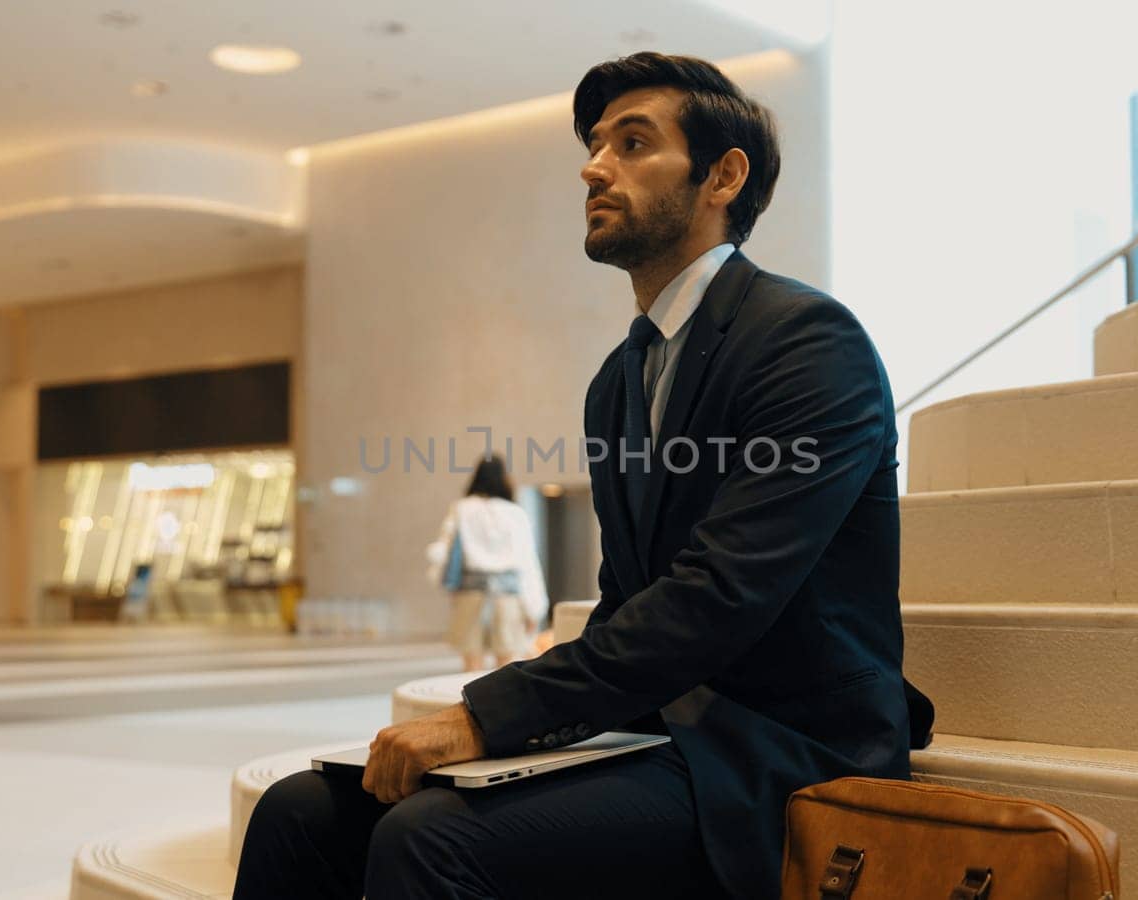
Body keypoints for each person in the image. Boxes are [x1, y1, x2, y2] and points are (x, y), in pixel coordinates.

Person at [234, 51, 934, 900]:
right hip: (661, 731)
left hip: (780, 751)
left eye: (633, 143)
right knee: (301, 811)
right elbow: (629, 599)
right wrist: (523, 716)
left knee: (433, 838)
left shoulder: (808, 343)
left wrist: (489, 715)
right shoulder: (618, 381)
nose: (593, 166)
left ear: (723, 175)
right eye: (597, 144)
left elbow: (717, 598)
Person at [425, 455, 548, 672]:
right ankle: (503, 705)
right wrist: (535, 608)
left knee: (471, 664)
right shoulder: (515, 513)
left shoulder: (461, 509)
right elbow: (527, 562)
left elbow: (444, 551)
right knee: (507, 663)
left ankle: (472, 705)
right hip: (508, 597)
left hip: (470, 595)